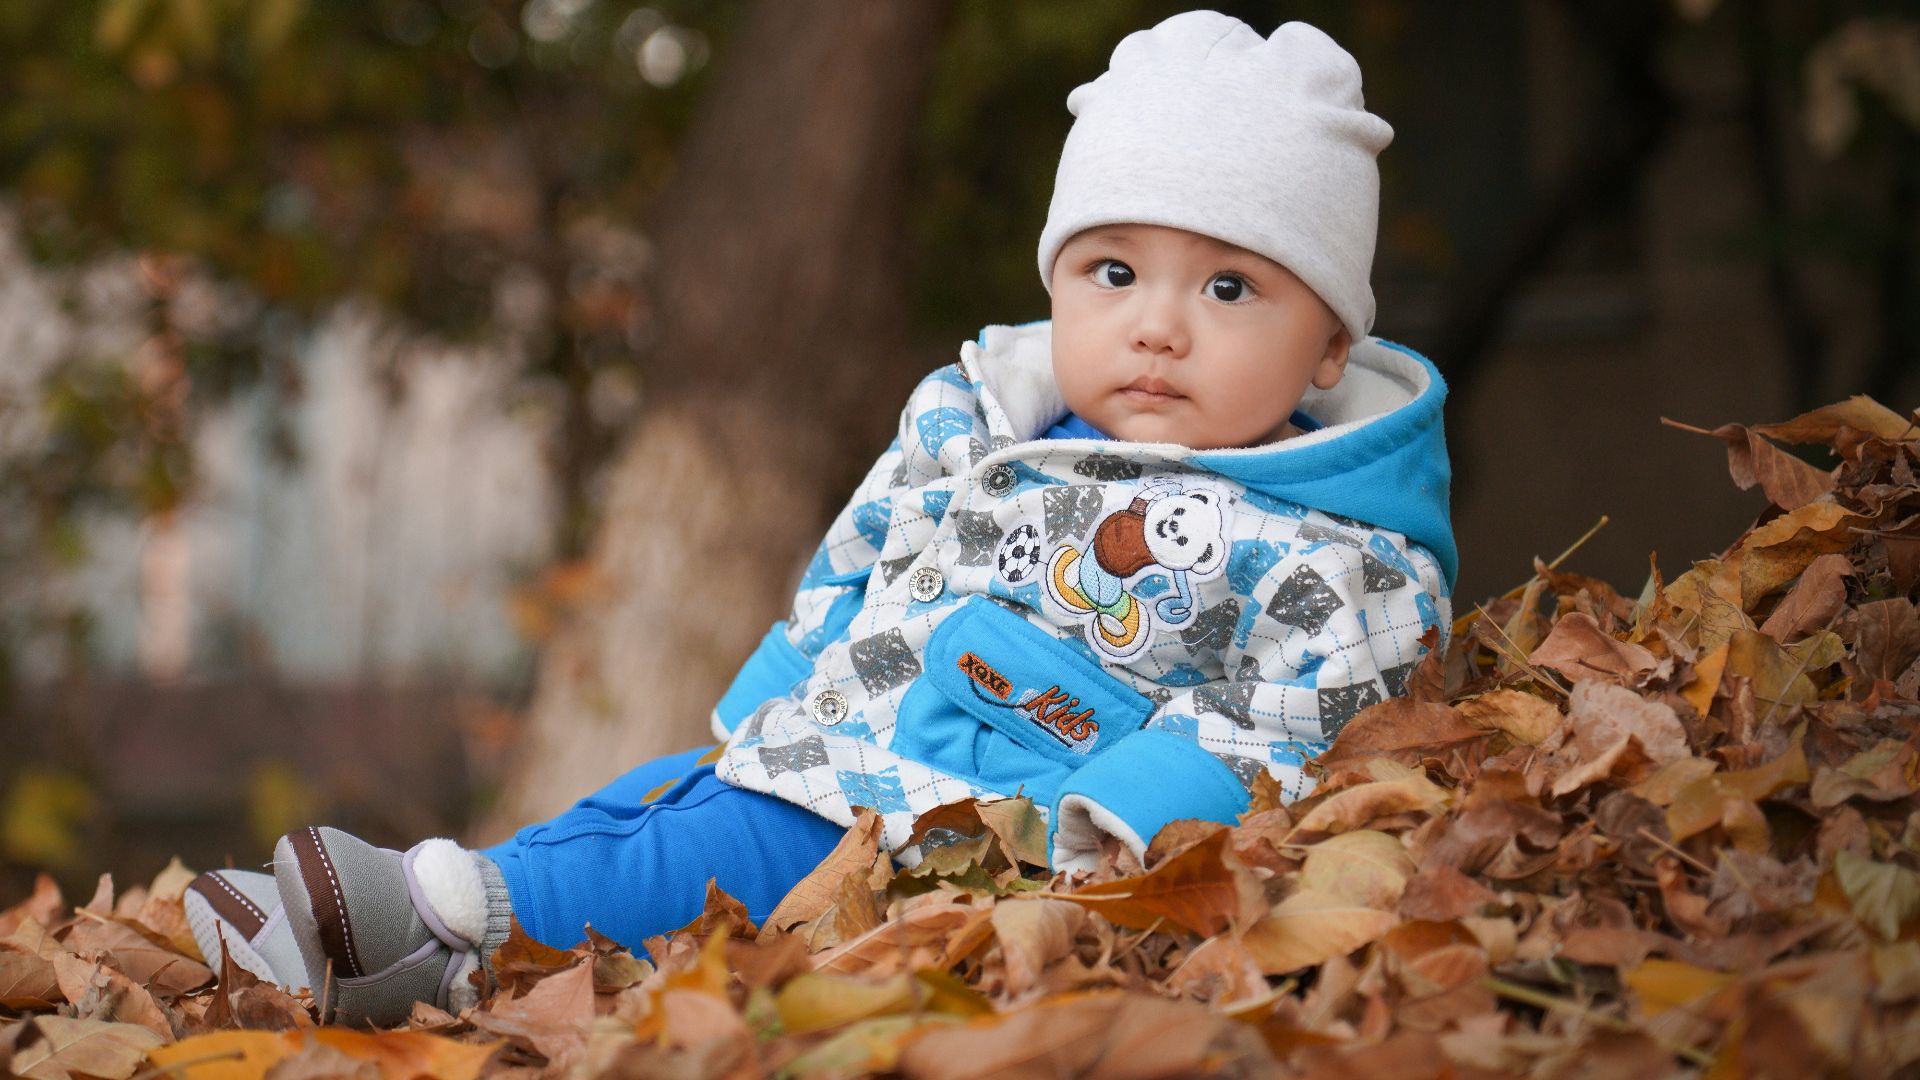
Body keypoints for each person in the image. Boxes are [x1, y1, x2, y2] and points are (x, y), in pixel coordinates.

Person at [181, 10, 1455, 1026]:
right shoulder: (977, 420)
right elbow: (862, 550)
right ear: (1058, 281)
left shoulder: (1330, 547)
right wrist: (779, 683)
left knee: (719, 853)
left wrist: (1126, 810)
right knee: (668, 795)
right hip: (849, 728)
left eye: (1230, 286)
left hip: (984, 805)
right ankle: (412, 927)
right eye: (1112, 272)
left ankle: (460, 914)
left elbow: (1312, 713)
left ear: (1332, 343)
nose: (1158, 324)